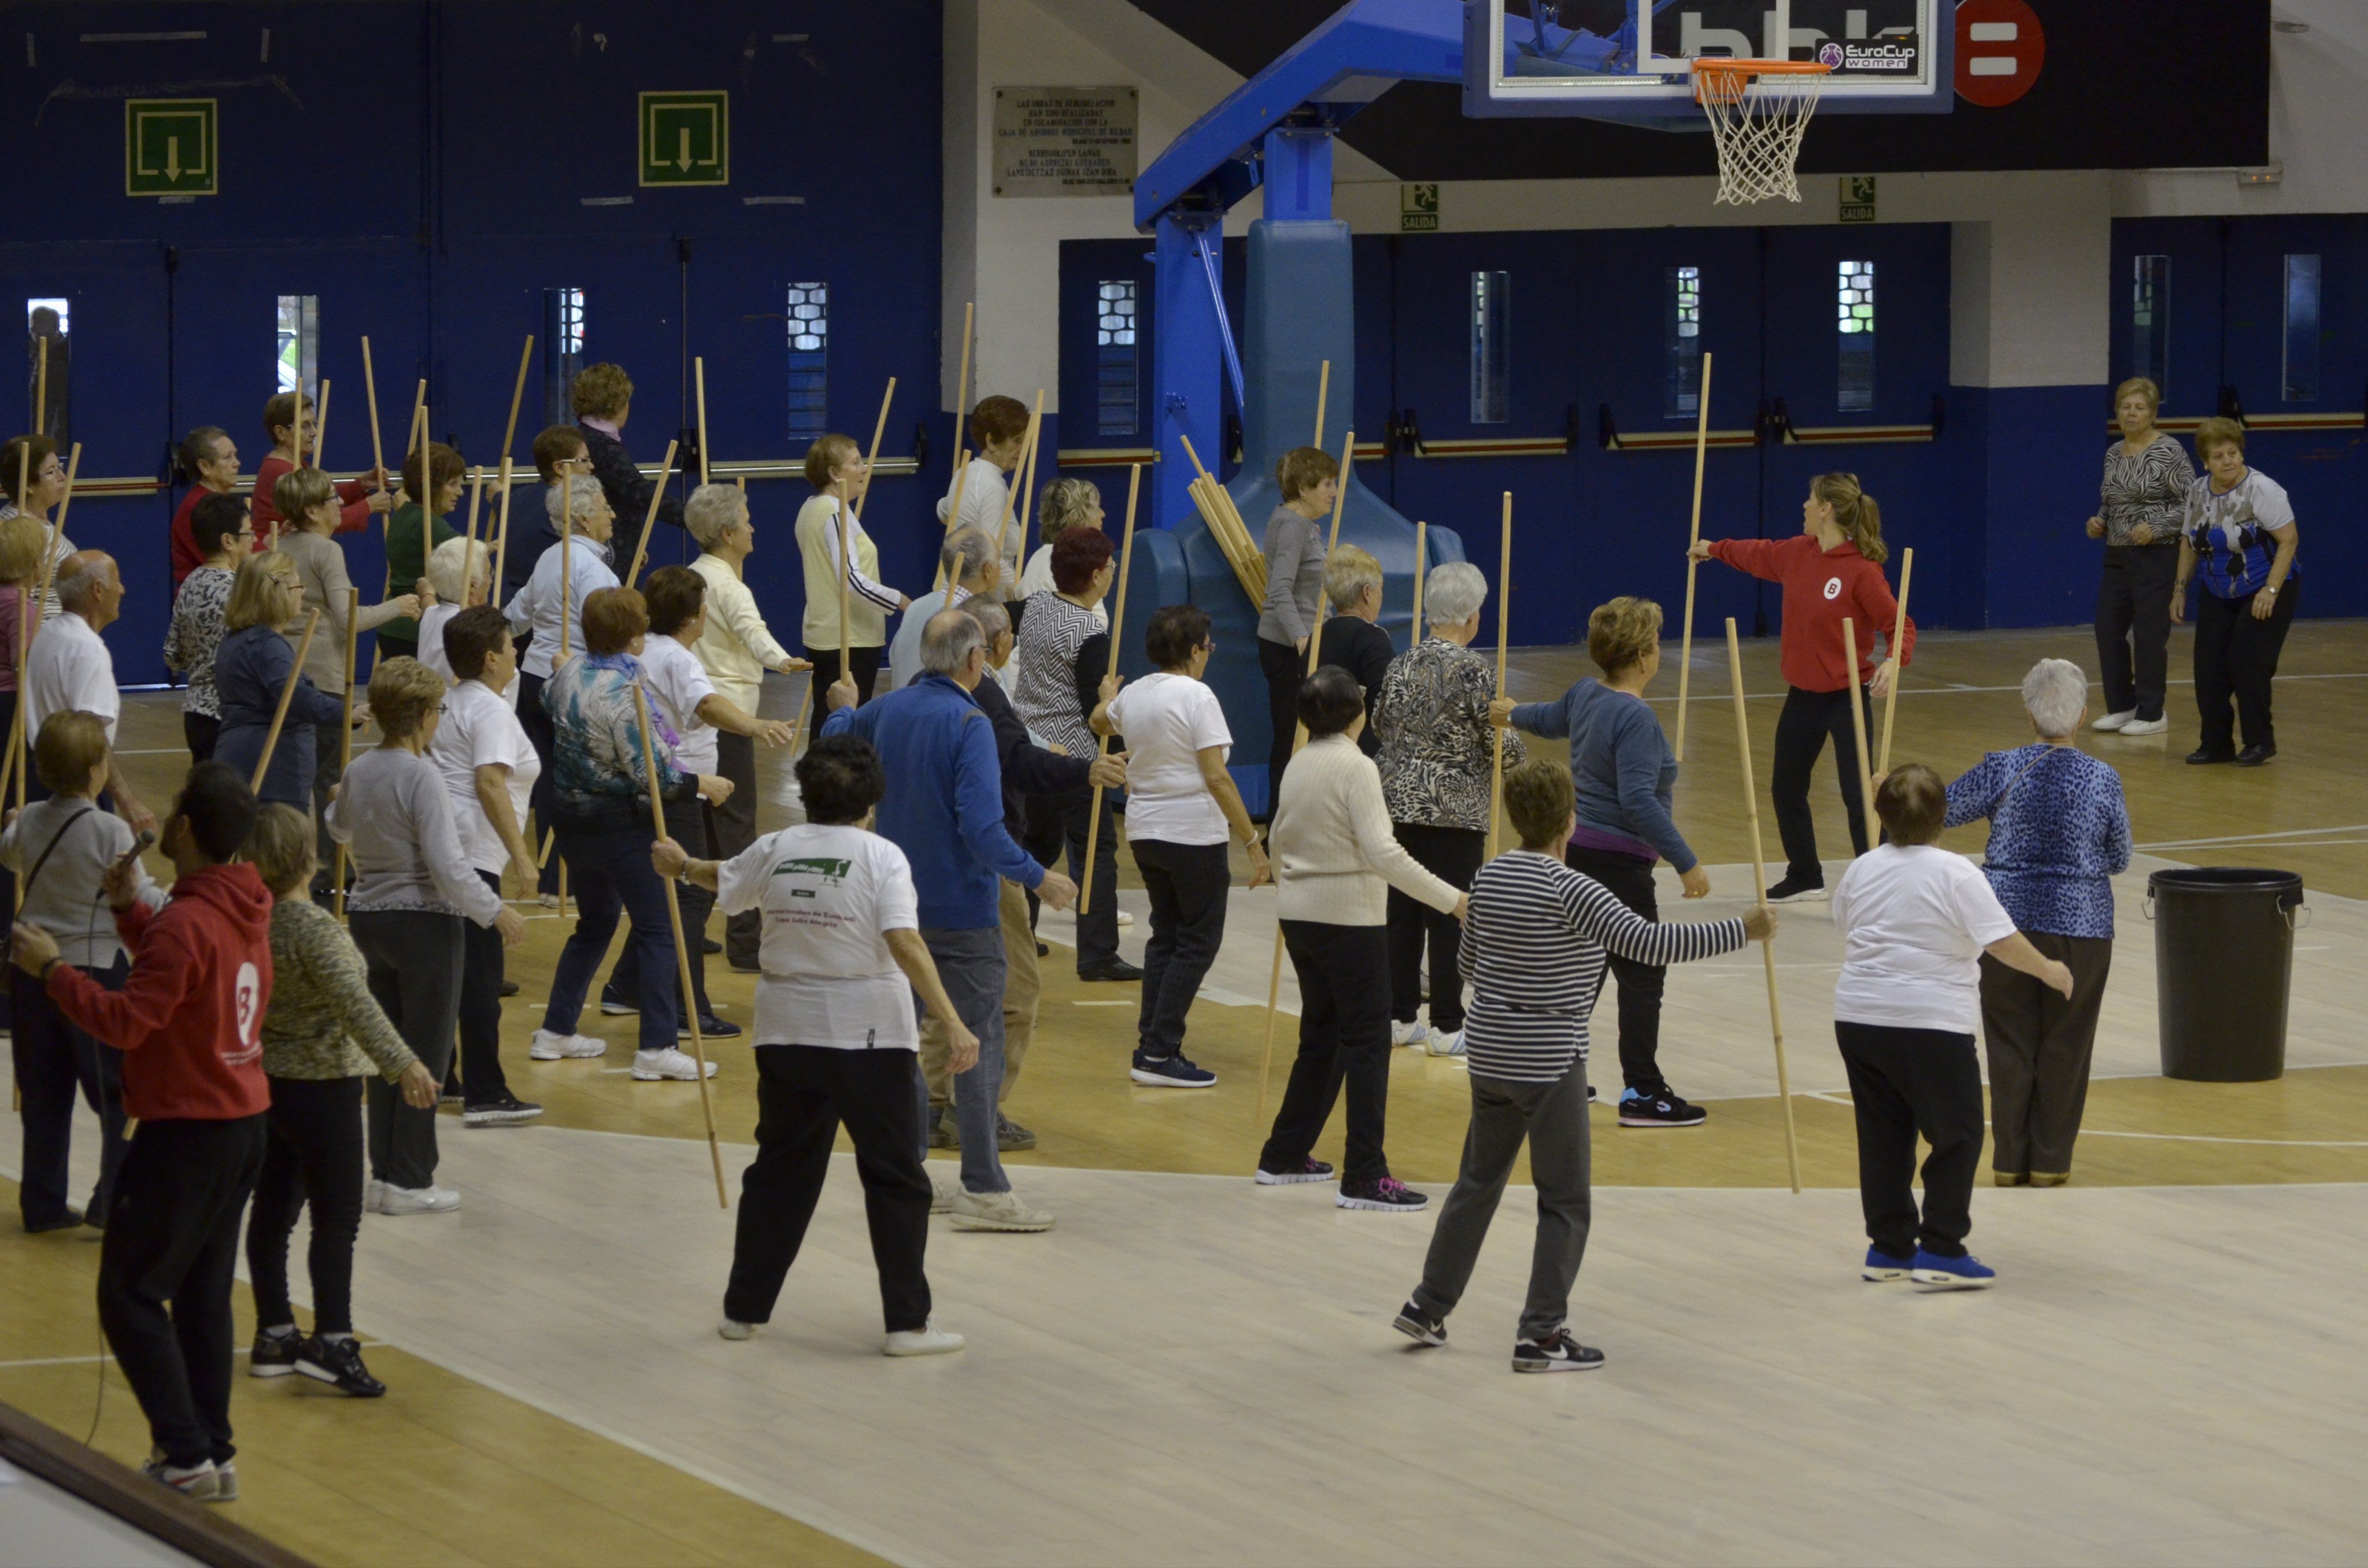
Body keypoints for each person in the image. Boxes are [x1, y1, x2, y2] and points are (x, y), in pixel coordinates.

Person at [1392, 757, 1766, 1372]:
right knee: (1564, 1199)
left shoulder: (1488, 879)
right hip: (1548, 1058)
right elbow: (1651, 945)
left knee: (1476, 1182)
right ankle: (1540, 1335)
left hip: (1489, 1055)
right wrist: (1741, 930)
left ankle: (1427, 1303)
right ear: (1571, 821)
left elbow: (1464, 968)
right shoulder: (1576, 890)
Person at [654, 735, 974, 1358]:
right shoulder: (883, 857)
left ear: (804, 793)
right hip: (871, 1037)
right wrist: (953, 1019)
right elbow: (904, 940)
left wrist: (681, 865)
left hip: (786, 1034)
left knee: (780, 1172)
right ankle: (907, 1324)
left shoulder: (775, 847)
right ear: (872, 798)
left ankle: (744, 1311)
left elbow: (727, 879)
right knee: (895, 1178)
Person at [9, 762, 271, 1502]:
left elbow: (127, 1022)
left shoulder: (187, 922)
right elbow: (189, 981)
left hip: (187, 1131)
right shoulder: (242, 904)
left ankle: (183, 1450)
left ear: (184, 829)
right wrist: (130, 915)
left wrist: (53, 970)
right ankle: (211, 1452)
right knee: (201, 1294)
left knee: (126, 1293)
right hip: (241, 1121)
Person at [820, 609, 1079, 1232]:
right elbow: (983, 830)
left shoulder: (881, 713)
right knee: (979, 1040)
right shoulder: (970, 723)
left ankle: (911, 1169)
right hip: (962, 914)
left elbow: (829, 752)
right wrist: (1039, 875)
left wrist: (838, 705)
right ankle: (984, 1186)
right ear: (974, 661)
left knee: (905, 1045)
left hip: (892, 912)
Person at [1832, 765, 2075, 1291]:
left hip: (1858, 1016)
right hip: (1930, 1022)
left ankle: (1890, 1246)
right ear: (1946, 817)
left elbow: (1846, 924)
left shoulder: (1862, 868)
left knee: (1882, 1134)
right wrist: (2050, 970)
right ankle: (1942, 1246)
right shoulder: (1957, 873)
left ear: (1881, 815)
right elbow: (2001, 940)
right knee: (1958, 1132)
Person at [242, 805, 438, 1398]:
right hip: (323, 1089)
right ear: (309, 857)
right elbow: (357, 1004)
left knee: (273, 1212)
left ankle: (275, 1332)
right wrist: (402, 1061)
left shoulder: (253, 921)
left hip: (268, 1086)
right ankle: (331, 1339)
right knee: (337, 1220)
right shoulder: (313, 929)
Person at [1257, 665, 1466, 1210]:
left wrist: (1291, 885)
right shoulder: (1357, 768)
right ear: (1358, 712)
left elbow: (1278, 837)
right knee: (1369, 1042)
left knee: (1322, 1035)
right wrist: (1453, 899)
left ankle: (1284, 1154)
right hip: (1348, 920)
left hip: (1299, 916)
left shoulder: (1298, 763)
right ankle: (1366, 1174)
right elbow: (1383, 853)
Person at [1496, 597, 1708, 1127]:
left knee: (1585, 967)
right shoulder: (1635, 717)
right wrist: (1686, 861)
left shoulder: (1587, 694)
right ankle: (1643, 1091)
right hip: (1619, 866)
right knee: (1643, 973)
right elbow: (1637, 800)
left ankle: (1554, 1069)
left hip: (1579, 855)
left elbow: (1548, 719)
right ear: (1641, 657)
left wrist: (1510, 714)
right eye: (1657, 644)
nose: (1660, 651)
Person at [327, 658, 528, 1215]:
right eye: (437, 710)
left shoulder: (362, 767)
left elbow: (338, 829)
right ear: (420, 715)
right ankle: (412, 1180)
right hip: (425, 926)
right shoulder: (423, 775)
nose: (440, 718)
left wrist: (336, 799)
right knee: (427, 1055)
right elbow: (447, 866)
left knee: (386, 1051)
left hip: (369, 919)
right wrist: (496, 911)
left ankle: (385, 1175)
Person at [925, 595, 1122, 1153]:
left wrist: (841, 709)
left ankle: (932, 1106)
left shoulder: (916, 694)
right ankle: (980, 1111)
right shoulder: (982, 694)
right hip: (985, 866)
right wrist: (1083, 771)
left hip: (929, 866)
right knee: (1014, 991)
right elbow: (1015, 767)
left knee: (943, 992)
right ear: (987, 647)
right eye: (1004, 635)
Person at [1942, 659, 2131, 1187]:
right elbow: (2120, 857)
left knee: (2008, 1042)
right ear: (2084, 715)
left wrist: (1887, 789)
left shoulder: (2002, 766)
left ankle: (2008, 1161)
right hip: (2084, 929)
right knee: (2067, 1043)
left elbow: (1940, 811)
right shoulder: (2103, 777)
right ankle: (2051, 1161)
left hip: (2005, 925)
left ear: (2029, 715)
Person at [529, 587, 729, 1080]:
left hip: (571, 820)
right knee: (659, 929)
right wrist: (702, 783)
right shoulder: (624, 694)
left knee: (596, 922)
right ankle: (657, 1046)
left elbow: (545, 699)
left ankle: (556, 1030)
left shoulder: (566, 672)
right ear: (634, 638)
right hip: (618, 823)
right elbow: (654, 777)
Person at [1690, 472, 1914, 903]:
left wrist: (1893, 659)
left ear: (1827, 509)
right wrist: (1713, 549)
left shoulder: (1862, 571)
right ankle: (1805, 871)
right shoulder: (1798, 553)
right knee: (1786, 787)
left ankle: (1880, 881)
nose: (1805, 507)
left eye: (1810, 500)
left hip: (1846, 697)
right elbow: (1758, 553)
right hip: (1802, 696)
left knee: (1858, 796)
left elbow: (1898, 622)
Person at [598, 565, 796, 1037]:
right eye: (704, 607)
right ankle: (687, 1008)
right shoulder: (680, 661)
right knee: (686, 896)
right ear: (692, 617)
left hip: (669, 785)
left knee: (674, 892)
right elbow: (706, 705)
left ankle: (625, 986)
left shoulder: (644, 651)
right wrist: (754, 725)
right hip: (682, 786)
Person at [1092, 602, 1267, 1088]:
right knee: (1197, 941)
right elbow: (1217, 776)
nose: (1208, 655)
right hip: (1192, 833)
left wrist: (1109, 699)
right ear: (1194, 651)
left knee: (1166, 936)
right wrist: (1252, 840)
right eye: (1207, 647)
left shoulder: (1137, 695)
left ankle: (1151, 1044)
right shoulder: (1198, 695)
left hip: (1145, 832)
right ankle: (1158, 1049)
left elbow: (1097, 722)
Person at [5, 711, 164, 1232]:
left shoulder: (28, 819)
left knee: (44, 1095)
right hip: (92, 975)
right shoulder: (108, 828)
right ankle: (110, 1200)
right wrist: (177, 901)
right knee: (118, 1096)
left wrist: (15, 822)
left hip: (29, 974)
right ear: (97, 770)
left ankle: (43, 1204)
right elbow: (138, 893)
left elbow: (11, 856)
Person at [1372, 561, 1522, 1060]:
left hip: (1396, 804)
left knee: (1403, 912)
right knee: (1451, 911)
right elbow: (1503, 745)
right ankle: (1447, 1023)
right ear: (1472, 616)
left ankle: (1399, 1016)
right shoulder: (1476, 669)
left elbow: (1379, 722)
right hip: (1453, 810)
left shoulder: (1401, 662)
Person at [683, 481, 810, 972]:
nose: (754, 527)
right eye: (748, 519)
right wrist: (783, 661)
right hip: (731, 718)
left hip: (700, 716)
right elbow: (752, 632)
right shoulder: (730, 586)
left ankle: (696, 929)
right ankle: (745, 942)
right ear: (728, 532)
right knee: (737, 829)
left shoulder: (694, 575)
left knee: (710, 832)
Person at [276, 465, 427, 878]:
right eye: (330, 498)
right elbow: (347, 617)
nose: (340, 503)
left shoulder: (278, 547)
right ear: (310, 510)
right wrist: (398, 606)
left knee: (292, 779)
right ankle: (331, 872)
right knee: (328, 778)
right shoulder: (326, 551)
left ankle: (292, 868)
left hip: (284, 675)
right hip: (323, 678)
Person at [427, 608, 544, 1125]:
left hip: (447, 850)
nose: (518, 651)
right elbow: (490, 782)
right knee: (479, 978)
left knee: (450, 973)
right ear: (492, 657)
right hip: (474, 854)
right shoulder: (492, 711)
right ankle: (486, 1091)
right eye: (510, 644)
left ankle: (444, 1076)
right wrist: (523, 857)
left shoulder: (449, 702)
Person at [1012, 526, 1136, 983]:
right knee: (1096, 852)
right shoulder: (1092, 631)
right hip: (1078, 761)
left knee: (1034, 846)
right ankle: (1098, 956)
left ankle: (1018, 937)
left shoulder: (1035, 605)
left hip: (1031, 749)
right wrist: (1109, 701)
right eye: (1110, 566)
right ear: (1097, 575)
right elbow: (1093, 715)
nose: (1114, 572)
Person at [508, 475, 621, 894]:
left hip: (536, 677)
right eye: (605, 508)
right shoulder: (592, 568)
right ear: (583, 519)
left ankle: (556, 877)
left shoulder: (548, 559)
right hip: (571, 683)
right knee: (579, 781)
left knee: (550, 779)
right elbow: (606, 633)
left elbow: (516, 615)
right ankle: (575, 875)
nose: (612, 514)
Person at [2175, 416, 2300, 767]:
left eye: (2233, 452)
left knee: (2247, 661)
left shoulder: (2262, 489)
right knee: (2208, 668)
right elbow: (2188, 542)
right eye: (2219, 456)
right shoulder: (2198, 491)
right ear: (2205, 462)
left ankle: (2260, 742)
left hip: (2268, 585)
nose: (2228, 460)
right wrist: (2180, 589)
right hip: (2217, 590)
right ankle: (2216, 745)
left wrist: (2271, 591)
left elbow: (2289, 541)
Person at [2086, 377, 2189, 738]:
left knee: (2148, 635)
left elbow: (2191, 505)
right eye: (2125, 407)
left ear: (2153, 413)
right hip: (2117, 553)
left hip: (2156, 554)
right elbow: (2110, 498)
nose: (2131, 414)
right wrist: (2099, 520)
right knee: (2108, 629)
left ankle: (2151, 711)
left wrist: (2157, 526)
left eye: (2139, 408)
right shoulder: (2114, 452)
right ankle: (2122, 705)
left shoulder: (2169, 451)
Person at [26, 552, 156, 835]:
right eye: (117, 582)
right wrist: (128, 801)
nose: (122, 590)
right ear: (98, 591)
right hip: (78, 787)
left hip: (42, 776)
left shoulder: (47, 634)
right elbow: (92, 736)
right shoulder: (88, 650)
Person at [212, 554, 347, 811]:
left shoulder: (235, 639)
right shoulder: (268, 645)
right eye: (297, 587)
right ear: (276, 594)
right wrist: (348, 711)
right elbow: (295, 697)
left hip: (236, 754)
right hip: (273, 765)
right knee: (276, 846)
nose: (302, 594)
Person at [1253, 445, 1340, 810]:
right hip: (1289, 647)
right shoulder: (1293, 526)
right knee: (1291, 742)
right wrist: (1301, 638)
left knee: (1300, 740)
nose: (1334, 491)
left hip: (1297, 641)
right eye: (1327, 484)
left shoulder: (1299, 522)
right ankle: (1280, 833)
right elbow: (1278, 589)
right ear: (1303, 489)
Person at [797, 433, 909, 702]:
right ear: (834, 473)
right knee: (845, 726)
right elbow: (852, 581)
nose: (864, 469)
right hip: (848, 638)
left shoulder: (811, 508)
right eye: (856, 463)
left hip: (830, 634)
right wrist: (902, 601)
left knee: (829, 723)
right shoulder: (835, 514)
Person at [162, 496, 256, 762]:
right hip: (230, 715)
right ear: (228, 541)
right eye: (249, 533)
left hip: (196, 713)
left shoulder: (190, 583)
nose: (254, 540)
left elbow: (173, 655)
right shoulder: (241, 590)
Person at [247, 392, 389, 542]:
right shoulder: (282, 471)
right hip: (275, 555)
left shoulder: (289, 463)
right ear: (280, 433)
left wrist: (360, 485)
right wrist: (368, 506)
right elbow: (319, 519)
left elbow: (321, 499)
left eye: (313, 424)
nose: (314, 433)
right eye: (304, 426)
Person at [572, 362, 687, 538]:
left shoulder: (580, 436)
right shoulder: (604, 447)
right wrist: (697, 518)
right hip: (606, 545)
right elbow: (640, 493)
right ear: (618, 405)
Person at [378, 441, 465, 663]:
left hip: (393, 625)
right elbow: (469, 557)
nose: (460, 492)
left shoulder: (404, 513)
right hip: (418, 629)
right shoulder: (430, 523)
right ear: (432, 485)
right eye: (453, 484)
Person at [888, 527, 998, 692]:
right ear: (987, 570)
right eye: (1000, 561)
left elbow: (893, 659)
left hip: (901, 709)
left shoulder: (915, 607)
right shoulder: (973, 621)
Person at [938, 394, 1033, 581]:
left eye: (1025, 441)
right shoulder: (992, 486)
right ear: (991, 442)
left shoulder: (965, 472)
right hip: (980, 599)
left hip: (956, 591)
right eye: (1016, 441)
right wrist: (1019, 594)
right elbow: (993, 557)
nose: (1023, 449)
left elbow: (943, 510)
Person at [500, 425, 597, 603]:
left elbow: (501, 502)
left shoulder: (516, 498)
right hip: (550, 610)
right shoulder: (567, 508)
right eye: (584, 460)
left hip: (511, 604)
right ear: (560, 468)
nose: (591, 466)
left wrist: (497, 495)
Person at [1314, 544, 1392, 758]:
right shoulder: (1372, 637)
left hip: (1318, 751)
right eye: (1380, 588)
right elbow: (1387, 704)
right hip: (1363, 754)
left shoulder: (1317, 637)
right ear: (1367, 592)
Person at [0, 433, 76, 621]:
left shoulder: (33, 517)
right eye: (51, 472)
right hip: (37, 636)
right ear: (27, 485)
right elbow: (17, 602)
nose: (62, 476)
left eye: (59, 467)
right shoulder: (20, 530)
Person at [168, 427, 241, 591]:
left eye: (235, 455)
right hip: (207, 599)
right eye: (228, 457)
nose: (237, 463)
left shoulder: (218, 500)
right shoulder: (198, 507)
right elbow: (230, 560)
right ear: (205, 467)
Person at [1014, 476, 1105, 606]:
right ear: (1079, 516)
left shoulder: (1042, 557)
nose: (1103, 514)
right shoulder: (1069, 564)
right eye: (1097, 508)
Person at [415, 535, 489, 686]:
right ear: (472, 586)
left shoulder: (432, 614)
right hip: (460, 707)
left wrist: (427, 593)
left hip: (430, 702)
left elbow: (428, 604)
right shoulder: (471, 629)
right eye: (489, 574)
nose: (491, 580)